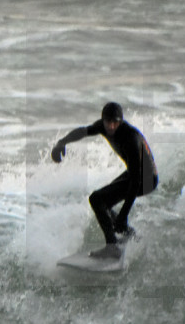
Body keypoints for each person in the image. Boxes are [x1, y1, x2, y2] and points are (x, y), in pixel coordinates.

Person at [51, 102, 158, 258]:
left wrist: (123, 214)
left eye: (116, 123)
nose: (112, 127)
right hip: (135, 174)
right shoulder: (102, 126)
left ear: (121, 122)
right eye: (109, 122)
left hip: (146, 179)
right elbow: (83, 131)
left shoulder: (130, 138)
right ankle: (129, 235)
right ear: (103, 120)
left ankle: (112, 247)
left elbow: (135, 181)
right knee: (103, 202)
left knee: (96, 199)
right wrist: (62, 142)